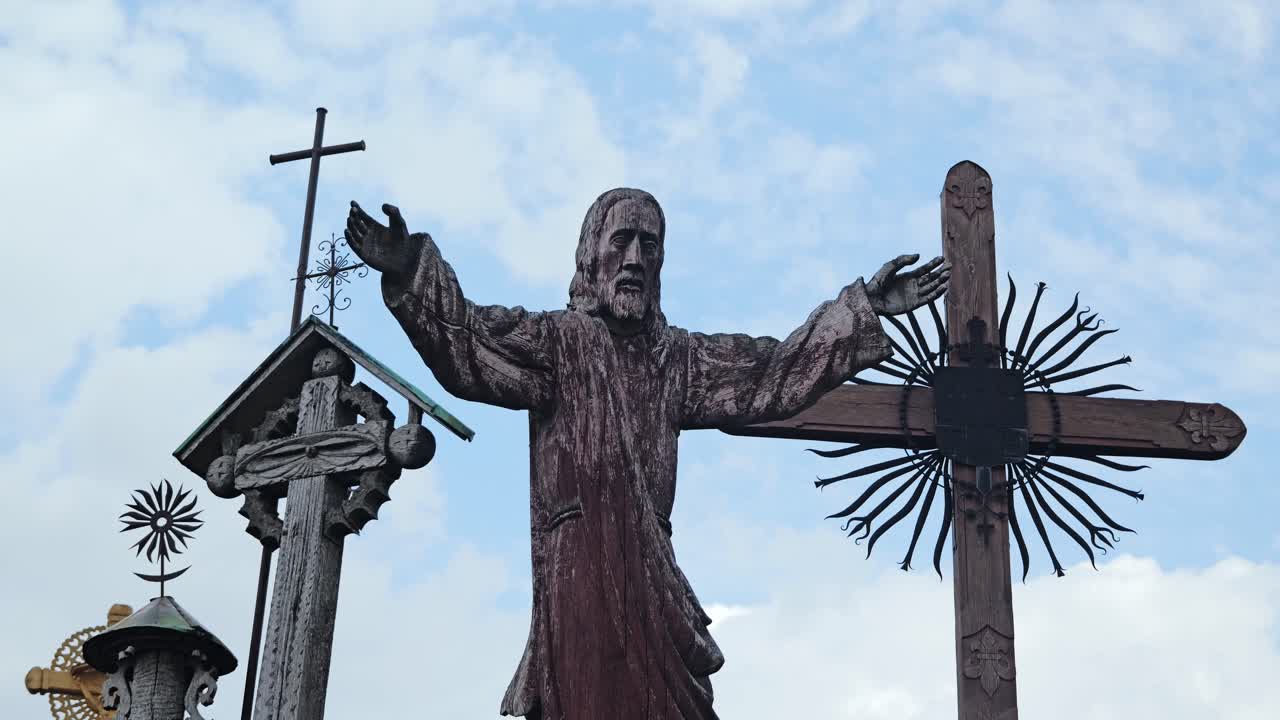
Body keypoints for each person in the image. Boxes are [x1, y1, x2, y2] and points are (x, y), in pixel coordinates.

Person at [345, 188, 949, 719]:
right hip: (579, 580)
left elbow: (771, 370)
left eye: (650, 246)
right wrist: (412, 270)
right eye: (622, 241)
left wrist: (861, 310)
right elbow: (470, 346)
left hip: (652, 584)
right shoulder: (558, 342)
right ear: (591, 254)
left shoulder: (679, 359)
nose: (635, 259)